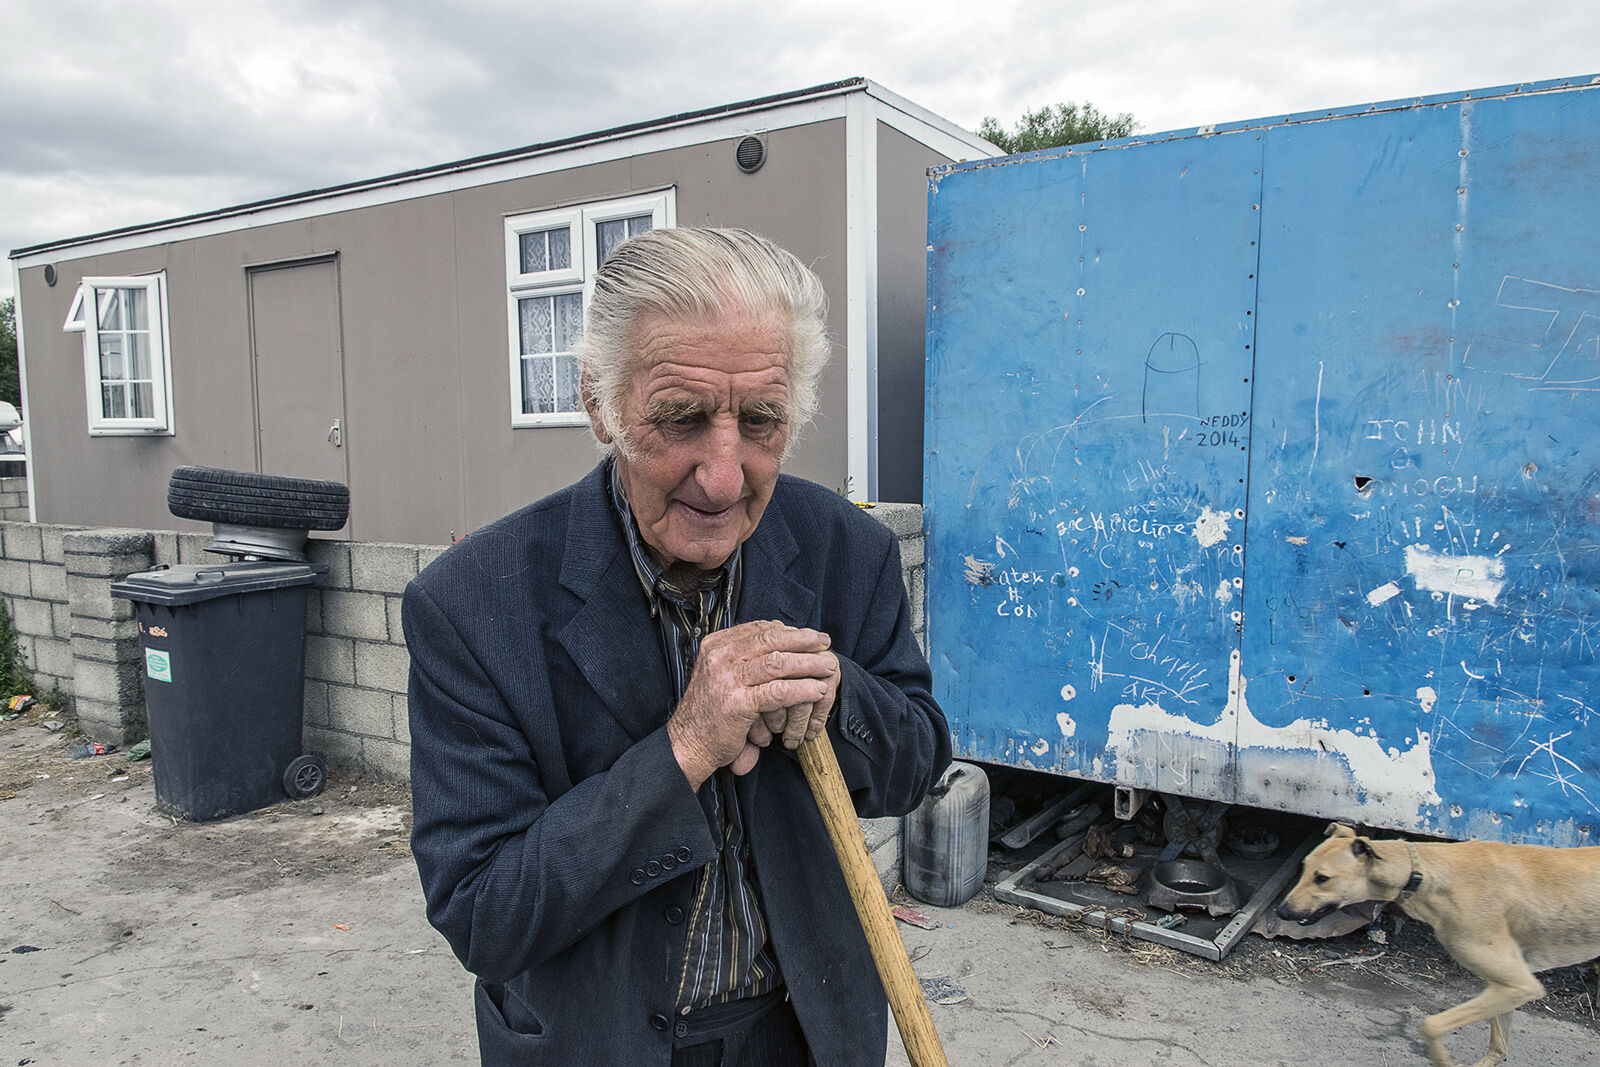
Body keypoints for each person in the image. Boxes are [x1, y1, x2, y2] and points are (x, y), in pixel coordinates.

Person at [404, 227, 951, 1065]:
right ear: (599, 402)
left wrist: (835, 688)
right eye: (680, 417)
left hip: (805, 1036)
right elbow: (485, 912)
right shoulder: (472, 605)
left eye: (761, 420)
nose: (725, 476)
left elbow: (916, 765)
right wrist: (684, 748)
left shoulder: (848, 551)